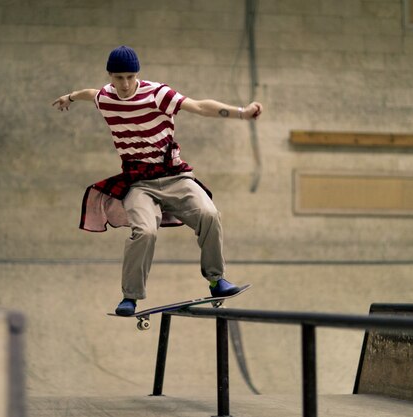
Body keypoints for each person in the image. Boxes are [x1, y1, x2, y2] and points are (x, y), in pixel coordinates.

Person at [53, 45, 263, 316]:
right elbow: (89, 94)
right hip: (139, 183)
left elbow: (199, 106)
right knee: (145, 232)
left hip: (175, 177)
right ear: (109, 76)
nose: (125, 84)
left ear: (137, 74)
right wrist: (69, 97)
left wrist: (242, 112)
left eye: (130, 76)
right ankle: (130, 297)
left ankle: (216, 280)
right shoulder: (105, 97)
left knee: (209, 214)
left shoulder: (158, 94)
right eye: (118, 78)